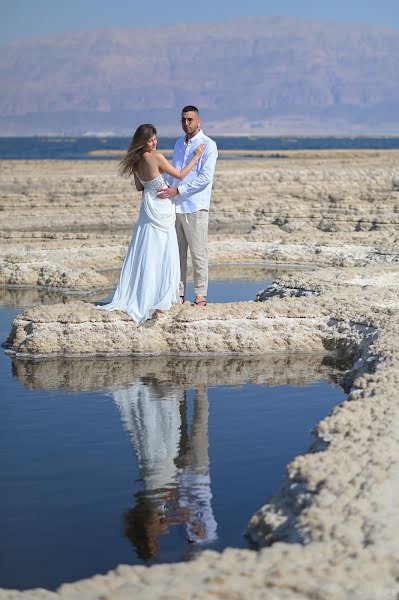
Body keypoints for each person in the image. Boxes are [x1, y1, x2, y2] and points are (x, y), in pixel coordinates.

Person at [97, 124, 204, 325]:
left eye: (155, 139)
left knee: (146, 249)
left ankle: (145, 292)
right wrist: (196, 157)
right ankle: (160, 295)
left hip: (148, 205)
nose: (154, 143)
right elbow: (180, 176)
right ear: (142, 142)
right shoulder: (157, 157)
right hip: (162, 206)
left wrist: (151, 182)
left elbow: (139, 187)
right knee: (163, 250)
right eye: (150, 140)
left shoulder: (136, 161)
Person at [157, 106, 218, 307]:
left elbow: (205, 178)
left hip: (195, 206)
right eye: (183, 120)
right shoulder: (178, 144)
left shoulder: (208, 145)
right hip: (175, 206)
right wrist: (163, 187)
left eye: (190, 120)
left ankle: (200, 295)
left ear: (198, 121)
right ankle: (179, 294)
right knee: (178, 253)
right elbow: (176, 171)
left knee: (198, 252)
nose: (186, 123)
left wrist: (179, 191)